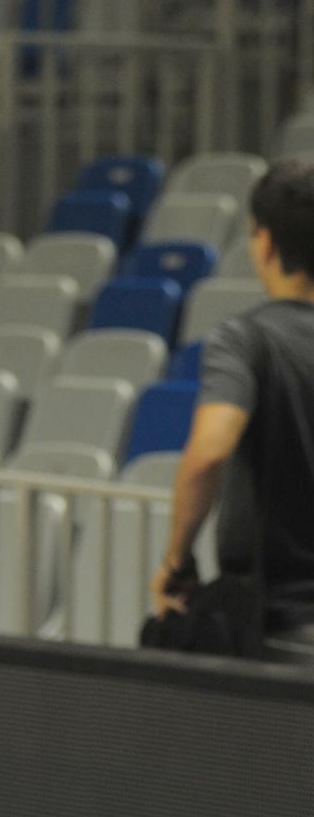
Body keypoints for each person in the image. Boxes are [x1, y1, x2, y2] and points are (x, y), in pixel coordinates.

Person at [150, 159, 314, 660]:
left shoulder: (245, 340)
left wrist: (177, 560)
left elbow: (208, 454)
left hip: (280, 629)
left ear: (264, 243)